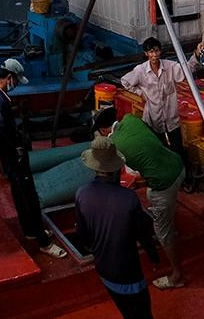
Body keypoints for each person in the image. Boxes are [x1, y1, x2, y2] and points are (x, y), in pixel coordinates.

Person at [95, 108, 187, 290]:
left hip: (164, 183)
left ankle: (177, 276)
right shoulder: (130, 119)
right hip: (178, 166)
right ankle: (167, 226)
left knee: (162, 231)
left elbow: (119, 174)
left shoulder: (114, 145)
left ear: (103, 131)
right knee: (151, 197)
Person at [0, 58, 67, 259]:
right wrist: (15, 153)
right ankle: (44, 242)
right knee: (28, 197)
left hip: (12, 158)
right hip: (14, 159)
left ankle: (31, 231)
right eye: (15, 80)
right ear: (9, 77)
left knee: (20, 195)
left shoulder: (0, 97)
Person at [76, 136, 160, 319]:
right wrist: (154, 257)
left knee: (126, 310)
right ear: (117, 169)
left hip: (104, 269)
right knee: (142, 314)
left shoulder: (82, 193)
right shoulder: (128, 199)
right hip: (127, 272)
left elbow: (82, 235)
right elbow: (144, 236)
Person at [120, 37, 202, 162]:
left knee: (177, 149)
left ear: (160, 51)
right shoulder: (140, 70)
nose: (155, 55)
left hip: (171, 118)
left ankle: (181, 170)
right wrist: (140, 93)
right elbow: (125, 81)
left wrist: (197, 53)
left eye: (157, 51)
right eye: (151, 52)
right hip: (153, 118)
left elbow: (187, 69)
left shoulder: (170, 66)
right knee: (158, 149)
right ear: (146, 54)